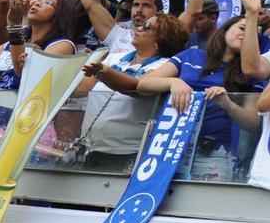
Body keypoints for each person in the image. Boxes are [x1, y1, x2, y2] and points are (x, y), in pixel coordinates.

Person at [137, 15, 263, 181]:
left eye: (251, 34)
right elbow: (143, 84)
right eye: (241, 28)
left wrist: (228, 104)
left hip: (212, 153)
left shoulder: (251, 74)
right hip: (168, 146)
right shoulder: (192, 55)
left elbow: (254, 123)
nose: (245, 35)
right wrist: (173, 82)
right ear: (225, 29)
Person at [73, 12, 188, 172]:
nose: (139, 28)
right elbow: (80, 89)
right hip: (90, 150)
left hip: (129, 155)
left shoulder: (164, 66)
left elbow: (134, 88)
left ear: (160, 41)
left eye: (147, 28)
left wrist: (104, 72)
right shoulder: (114, 57)